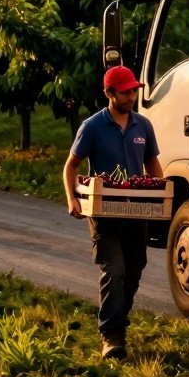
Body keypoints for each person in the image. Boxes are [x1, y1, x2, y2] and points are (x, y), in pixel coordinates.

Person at [64, 65, 163, 360]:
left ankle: (119, 321)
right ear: (109, 93)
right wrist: (73, 199)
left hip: (136, 213)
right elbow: (71, 165)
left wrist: (158, 194)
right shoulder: (92, 127)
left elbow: (152, 165)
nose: (132, 96)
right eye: (125, 91)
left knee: (134, 270)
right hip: (104, 213)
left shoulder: (143, 126)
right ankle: (111, 335)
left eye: (134, 90)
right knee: (114, 270)